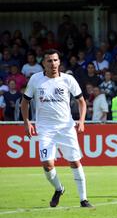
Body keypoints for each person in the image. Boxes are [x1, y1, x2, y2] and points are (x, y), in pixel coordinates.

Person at [20, 49, 93, 208]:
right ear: (43, 63)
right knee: (47, 164)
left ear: (59, 62)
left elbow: (81, 101)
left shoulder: (68, 79)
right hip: (45, 129)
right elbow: (24, 102)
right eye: (49, 61)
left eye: (55, 60)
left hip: (66, 128)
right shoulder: (35, 79)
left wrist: (81, 121)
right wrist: (27, 122)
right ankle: (59, 189)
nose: (52, 64)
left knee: (74, 162)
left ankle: (83, 199)